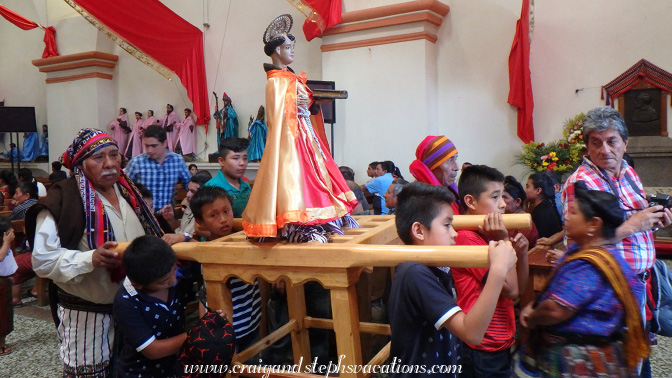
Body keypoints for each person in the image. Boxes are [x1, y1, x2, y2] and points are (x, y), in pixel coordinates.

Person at [27, 128, 163, 378]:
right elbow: (43, 261)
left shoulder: (129, 193)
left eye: (114, 155)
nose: (110, 163)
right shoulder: (63, 201)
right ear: (81, 164)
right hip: (86, 313)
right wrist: (89, 258)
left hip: (131, 307)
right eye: (99, 158)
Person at [242, 14, 357, 237]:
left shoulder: (290, 77)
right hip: (290, 137)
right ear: (277, 51)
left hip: (304, 133)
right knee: (295, 178)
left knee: (317, 174)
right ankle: (298, 220)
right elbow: (277, 114)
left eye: (293, 46)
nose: (292, 51)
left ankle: (321, 214)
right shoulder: (275, 80)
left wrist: (308, 102)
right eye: (288, 47)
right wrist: (298, 104)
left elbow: (305, 102)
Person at [387, 182, 517, 378]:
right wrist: (498, 270)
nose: (455, 233)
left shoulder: (435, 267)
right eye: (447, 225)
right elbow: (471, 333)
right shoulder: (414, 272)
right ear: (419, 231)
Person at [520, 180, 650, 377]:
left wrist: (532, 315)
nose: (566, 215)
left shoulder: (589, 265)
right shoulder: (604, 255)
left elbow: (556, 310)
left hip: (579, 360)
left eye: (573, 212)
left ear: (594, 224)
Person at [451, 165, 529, 378]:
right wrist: (504, 239)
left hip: (500, 338)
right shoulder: (466, 238)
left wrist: (521, 256)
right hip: (482, 344)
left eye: (503, 196)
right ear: (470, 202)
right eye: (495, 197)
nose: (503, 204)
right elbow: (512, 290)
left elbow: (518, 291)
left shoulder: (487, 235)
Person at [191, 186, 262, 354]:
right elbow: (206, 293)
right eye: (213, 215)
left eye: (226, 211)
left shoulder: (246, 240)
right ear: (200, 221)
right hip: (228, 326)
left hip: (252, 320)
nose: (223, 219)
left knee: (253, 362)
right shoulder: (206, 250)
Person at [113, 235, 187, 377]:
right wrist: (196, 336)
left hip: (175, 367)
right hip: (140, 372)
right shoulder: (126, 301)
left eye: (174, 270)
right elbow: (152, 350)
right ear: (138, 285)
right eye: (164, 282)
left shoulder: (169, 272)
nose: (174, 280)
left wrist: (184, 237)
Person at [125, 125, 191, 232]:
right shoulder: (137, 162)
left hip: (167, 217)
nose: (149, 150)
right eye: (146, 146)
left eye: (154, 146)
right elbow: (124, 188)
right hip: (144, 217)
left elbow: (189, 186)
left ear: (164, 143)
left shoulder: (177, 160)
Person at [409, 135, 461, 214]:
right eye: (450, 160)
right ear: (432, 166)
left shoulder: (452, 192)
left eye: (455, 159)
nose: (457, 167)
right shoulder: (419, 200)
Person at [162, 171, 212, 245]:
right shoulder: (190, 206)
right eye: (188, 190)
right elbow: (181, 230)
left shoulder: (208, 212)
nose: (188, 194)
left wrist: (183, 238)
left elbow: (200, 243)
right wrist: (171, 220)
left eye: (193, 191)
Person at [206, 137, 251, 218]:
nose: (242, 163)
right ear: (221, 161)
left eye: (245, 158)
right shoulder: (211, 188)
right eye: (236, 158)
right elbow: (202, 225)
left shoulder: (246, 186)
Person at [525, 172, 563, 240]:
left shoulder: (542, 213)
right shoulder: (544, 206)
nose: (525, 190)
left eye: (527, 187)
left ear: (538, 190)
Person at [503, 175, 538, 247]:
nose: (500, 202)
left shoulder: (524, 223)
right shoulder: (505, 217)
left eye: (504, 198)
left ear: (517, 202)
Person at [0, 217, 16, 356]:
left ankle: (2, 342)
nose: (13, 231)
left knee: (5, 312)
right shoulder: (4, 244)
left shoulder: (6, 243)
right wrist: (6, 243)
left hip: (4, 281)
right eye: (10, 230)